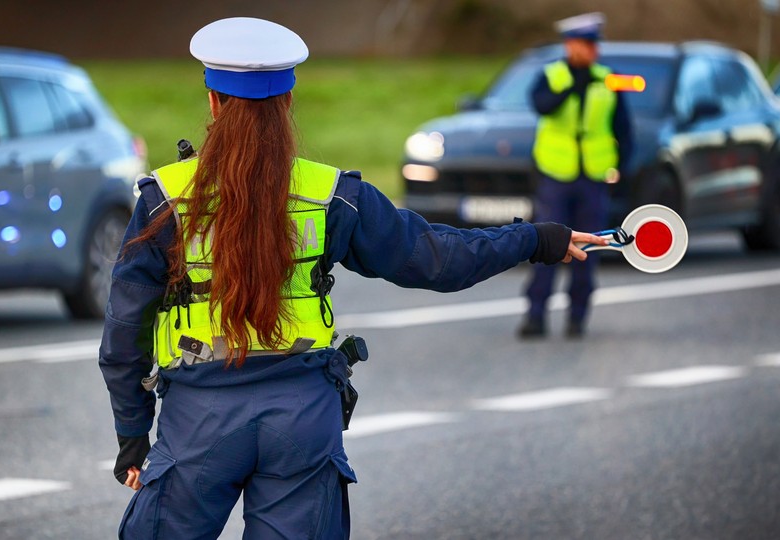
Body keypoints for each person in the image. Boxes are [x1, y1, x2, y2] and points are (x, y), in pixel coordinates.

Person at [98, 17, 608, 540]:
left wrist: (133, 434)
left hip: (199, 423)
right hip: (302, 421)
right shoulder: (331, 195)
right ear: (287, 104)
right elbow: (438, 258)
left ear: (212, 102)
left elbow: (124, 332)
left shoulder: (166, 200)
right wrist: (537, 239)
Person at [519, 12, 634, 339]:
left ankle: (577, 316)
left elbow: (623, 129)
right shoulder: (553, 75)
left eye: (595, 44)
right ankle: (536, 314)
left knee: (590, 248)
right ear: (570, 45)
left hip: (592, 178)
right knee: (548, 246)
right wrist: (571, 87)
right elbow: (542, 105)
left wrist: (621, 167)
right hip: (556, 176)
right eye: (586, 44)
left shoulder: (607, 78)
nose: (593, 50)